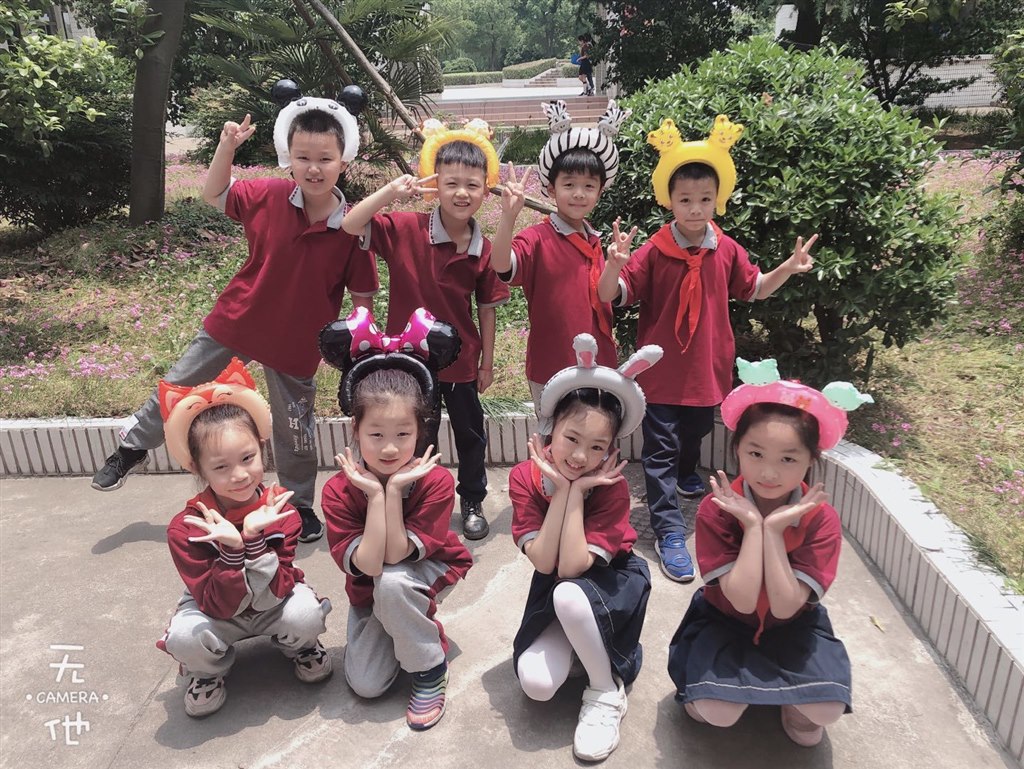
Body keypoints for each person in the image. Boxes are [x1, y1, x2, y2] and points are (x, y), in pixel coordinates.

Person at [91, 80, 378, 545]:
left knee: (296, 427)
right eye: (303, 157)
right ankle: (132, 448)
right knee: (179, 383)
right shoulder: (266, 195)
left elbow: (362, 295)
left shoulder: (352, 226)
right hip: (237, 319)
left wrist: (358, 345)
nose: (314, 167)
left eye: (325, 158)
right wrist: (226, 146)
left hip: (296, 342)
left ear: (343, 161)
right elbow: (216, 194)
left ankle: (299, 504)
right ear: (288, 157)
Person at [598, 115, 818, 583]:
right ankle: (669, 530)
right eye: (685, 200)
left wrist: (786, 268)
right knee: (659, 451)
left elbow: (754, 289)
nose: (695, 209)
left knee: (695, 431)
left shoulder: (727, 248)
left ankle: (686, 469)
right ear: (669, 200)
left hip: (707, 370)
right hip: (660, 374)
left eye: (704, 199)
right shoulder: (654, 250)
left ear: (718, 199)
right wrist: (614, 265)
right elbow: (612, 295)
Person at [668, 358, 872, 746]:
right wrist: (752, 527)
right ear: (737, 449)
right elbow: (742, 601)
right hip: (725, 620)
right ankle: (738, 690)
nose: (768, 473)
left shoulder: (822, 519)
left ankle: (790, 700)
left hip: (792, 625)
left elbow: (785, 606)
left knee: (824, 713)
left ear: (811, 461)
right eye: (756, 453)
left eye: (788, 459)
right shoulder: (716, 509)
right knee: (716, 713)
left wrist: (772, 531)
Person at [340, 118, 509, 540]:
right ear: (433, 184)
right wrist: (390, 192)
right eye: (451, 183)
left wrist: (487, 363)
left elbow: (487, 309)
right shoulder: (404, 229)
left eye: (472, 185)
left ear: (485, 189)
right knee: (416, 436)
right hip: (407, 361)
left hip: (461, 362)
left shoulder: (483, 250)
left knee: (471, 436)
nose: (461, 193)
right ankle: (410, 502)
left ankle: (472, 500)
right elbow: (350, 223)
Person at [509, 333, 662, 762]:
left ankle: (606, 690)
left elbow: (574, 568)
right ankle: (594, 649)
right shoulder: (524, 478)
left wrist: (575, 493)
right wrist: (564, 491)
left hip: (611, 580)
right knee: (536, 685)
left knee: (569, 594)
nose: (580, 457)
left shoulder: (611, 488)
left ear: (611, 450)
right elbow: (544, 562)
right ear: (550, 430)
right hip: (557, 585)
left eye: (597, 447)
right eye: (572, 438)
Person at [319, 307, 473, 731]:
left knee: (395, 583)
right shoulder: (337, 491)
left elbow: (396, 556)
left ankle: (430, 667)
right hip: (369, 584)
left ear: (420, 430)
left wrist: (391, 492)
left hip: (425, 567)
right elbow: (369, 564)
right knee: (366, 685)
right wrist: (377, 494)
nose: (390, 448)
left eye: (403, 435)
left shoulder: (436, 481)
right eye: (376, 435)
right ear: (355, 429)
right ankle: (404, 621)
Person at [156, 358, 333, 718]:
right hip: (216, 610)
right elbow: (217, 606)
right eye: (220, 466)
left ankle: (300, 647)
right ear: (197, 468)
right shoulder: (186, 528)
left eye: (248, 458)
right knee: (185, 637)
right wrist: (233, 551)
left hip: (273, 602)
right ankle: (207, 671)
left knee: (305, 615)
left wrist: (253, 539)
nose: (239, 475)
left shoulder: (281, 511)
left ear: (263, 448)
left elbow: (280, 589)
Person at [490, 100, 630, 413]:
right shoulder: (537, 238)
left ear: (600, 192)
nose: (579, 193)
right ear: (551, 189)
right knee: (553, 438)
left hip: (599, 364)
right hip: (552, 365)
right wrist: (508, 217)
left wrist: (614, 265)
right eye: (569, 184)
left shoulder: (595, 240)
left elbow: (604, 295)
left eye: (588, 186)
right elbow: (501, 265)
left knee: (597, 434)